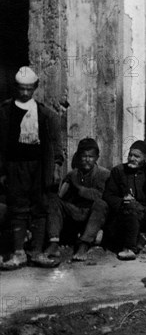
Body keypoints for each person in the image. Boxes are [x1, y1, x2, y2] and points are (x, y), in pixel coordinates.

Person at [0, 67, 64, 270]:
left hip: (39, 167)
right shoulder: (4, 111)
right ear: (15, 87)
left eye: (29, 89)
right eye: (21, 88)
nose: (25, 93)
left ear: (35, 88)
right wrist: (2, 171)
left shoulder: (46, 114)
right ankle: (18, 252)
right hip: (14, 167)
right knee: (17, 207)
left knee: (40, 206)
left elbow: (55, 145)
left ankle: (36, 252)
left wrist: (55, 168)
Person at [103, 140, 146, 260]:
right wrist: (122, 201)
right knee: (131, 204)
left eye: (136, 156)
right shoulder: (119, 171)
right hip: (125, 215)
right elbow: (108, 196)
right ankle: (129, 248)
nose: (132, 158)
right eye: (130, 155)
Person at [44, 138, 110, 261]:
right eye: (84, 156)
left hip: (92, 215)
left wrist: (80, 190)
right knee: (54, 200)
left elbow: (103, 196)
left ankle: (84, 245)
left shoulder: (104, 174)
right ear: (79, 156)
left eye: (91, 156)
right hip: (75, 212)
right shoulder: (72, 174)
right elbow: (61, 197)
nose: (87, 159)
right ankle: (53, 243)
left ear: (97, 157)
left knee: (101, 204)